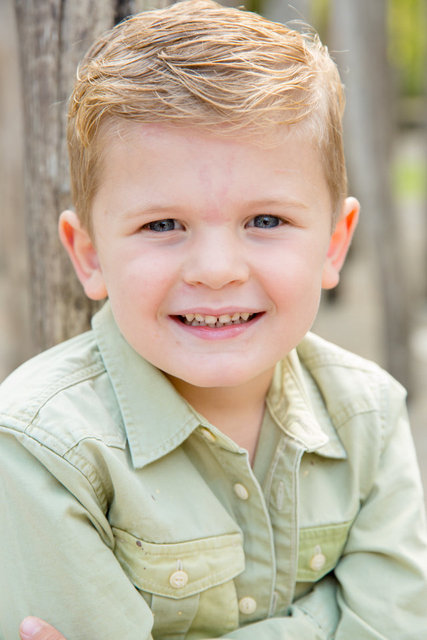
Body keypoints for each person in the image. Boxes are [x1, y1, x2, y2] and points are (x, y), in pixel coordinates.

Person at [1, 1, 426, 639]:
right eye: (162, 225)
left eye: (266, 221)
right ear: (89, 256)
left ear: (334, 245)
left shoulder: (367, 415)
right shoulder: (41, 448)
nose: (217, 269)